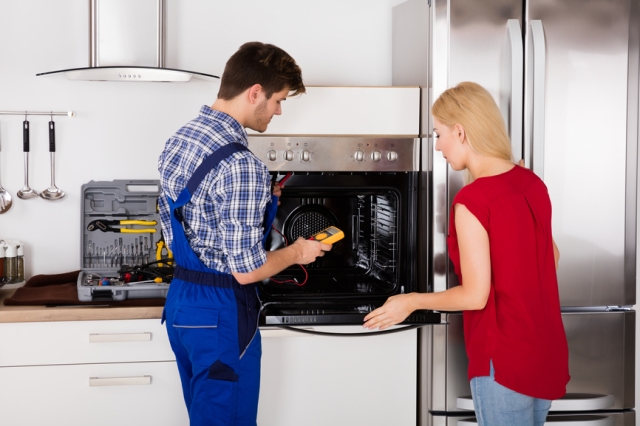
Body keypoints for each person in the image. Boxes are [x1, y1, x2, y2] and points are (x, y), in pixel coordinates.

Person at [363, 81, 569, 426]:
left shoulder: (473, 200)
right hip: (544, 352)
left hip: (503, 359)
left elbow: (475, 296)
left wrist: (411, 301)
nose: (439, 146)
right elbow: (552, 258)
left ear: (460, 132)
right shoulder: (531, 184)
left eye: (439, 134)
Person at [157, 41, 332, 426]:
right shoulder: (242, 164)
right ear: (255, 92)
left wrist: (262, 200)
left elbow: (187, 218)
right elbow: (247, 270)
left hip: (183, 305)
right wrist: (298, 253)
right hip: (221, 314)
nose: (279, 111)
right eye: (278, 100)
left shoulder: (181, 138)